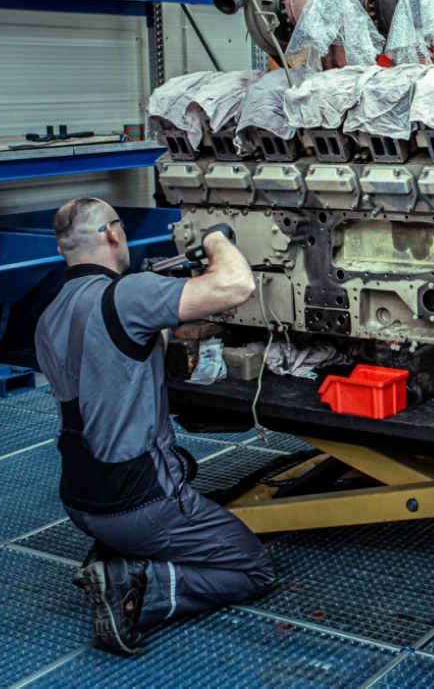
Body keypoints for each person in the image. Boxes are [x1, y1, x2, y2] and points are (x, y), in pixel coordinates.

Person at [35, 198, 275, 655]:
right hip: (141, 500)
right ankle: (136, 584)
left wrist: (166, 298)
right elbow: (235, 284)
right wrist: (214, 239)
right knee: (253, 568)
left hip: (82, 500)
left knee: (137, 523)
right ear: (113, 233)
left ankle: (114, 555)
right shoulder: (128, 295)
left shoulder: (51, 316)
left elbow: (126, 348)